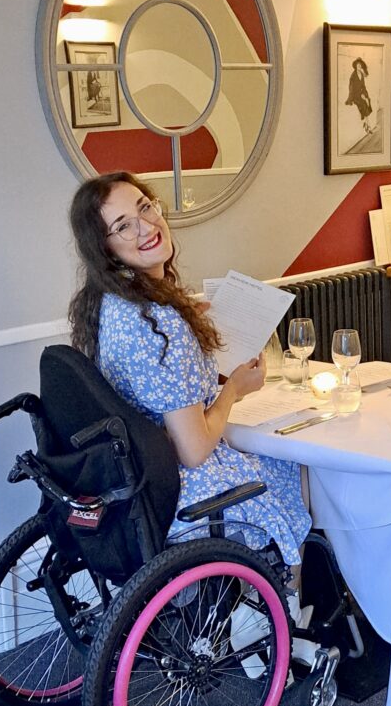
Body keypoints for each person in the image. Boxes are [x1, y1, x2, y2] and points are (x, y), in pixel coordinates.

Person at [67, 170, 312, 566]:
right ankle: (292, 597)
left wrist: (186, 324)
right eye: (123, 226)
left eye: (145, 207)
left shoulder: (109, 305)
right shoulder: (160, 325)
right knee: (295, 467)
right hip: (185, 491)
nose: (146, 227)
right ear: (106, 248)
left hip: (140, 482)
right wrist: (234, 388)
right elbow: (194, 450)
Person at [345, 57, 373, 134]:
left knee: (368, 100)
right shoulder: (353, 76)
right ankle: (368, 125)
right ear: (355, 66)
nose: (359, 66)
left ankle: (366, 124)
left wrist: (364, 95)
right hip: (355, 95)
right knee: (363, 104)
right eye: (358, 65)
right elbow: (351, 88)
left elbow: (363, 86)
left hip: (360, 93)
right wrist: (350, 99)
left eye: (360, 65)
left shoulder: (361, 74)